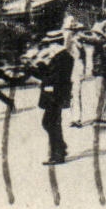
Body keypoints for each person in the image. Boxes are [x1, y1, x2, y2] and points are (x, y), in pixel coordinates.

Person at [35, 30, 73, 165]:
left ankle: (58, 154)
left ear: (56, 44)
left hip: (56, 96)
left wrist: (41, 64)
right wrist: (39, 64)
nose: (49, 48)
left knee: (50, 123)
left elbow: (54, 77)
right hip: (54, 95)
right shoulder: (59, 57)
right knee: (50, 123)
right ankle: (60, 148)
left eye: (50, 44)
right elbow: (47, 74)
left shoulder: (63, 58)